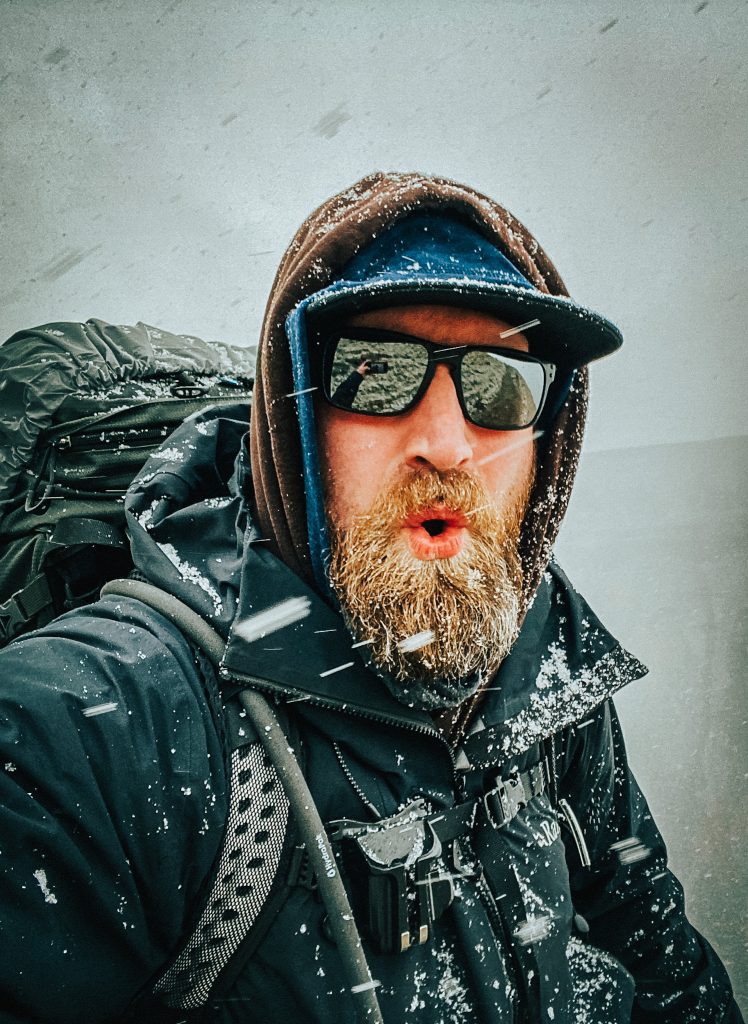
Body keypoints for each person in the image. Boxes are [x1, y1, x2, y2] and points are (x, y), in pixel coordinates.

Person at [0, 171, 742, 1024]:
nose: (447, 443)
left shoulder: (547, 669)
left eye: (502, 385)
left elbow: (663, 962)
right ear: (295, 418)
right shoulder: (88, 736)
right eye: (376, 372)